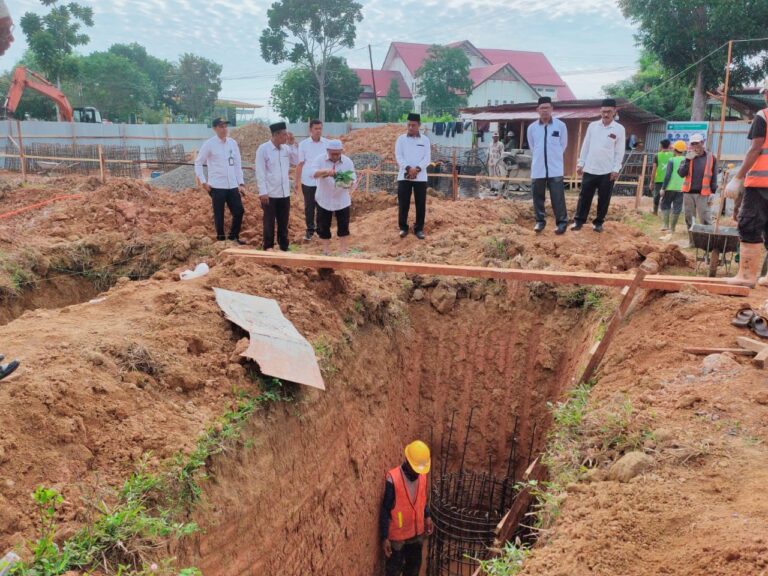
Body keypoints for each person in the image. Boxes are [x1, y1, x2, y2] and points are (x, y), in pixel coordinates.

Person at [725, 80, 768, 287]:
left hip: (761, 183)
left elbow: (756, 149)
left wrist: (738, 177)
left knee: (749, 224)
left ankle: (746, 276)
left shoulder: (764, 116)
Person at [380, 440, 433, 576]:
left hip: (417, 535)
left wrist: (427, 516)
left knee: (413, 570)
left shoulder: (422, 475)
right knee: (394, 571)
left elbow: (423, 499)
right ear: (408, 462)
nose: (418, 473)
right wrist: (384, 537)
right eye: (416, 469)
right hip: (398, 539)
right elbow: (385, 509)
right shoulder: (393, 479)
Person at [572, 98, 626, 233]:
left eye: (608, 111)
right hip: (590, 168)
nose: (606, 114)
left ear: (614, 111)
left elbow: (620, 151)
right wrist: (581, 163)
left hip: (607, 171)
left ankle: (598, 223)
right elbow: (586, 145)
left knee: (604, 199)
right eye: (603, 112)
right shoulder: (593, 126)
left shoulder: (619, 129)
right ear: (600, 111)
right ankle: (578, 221)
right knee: (584, 197)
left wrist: (616, 168)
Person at [194, 117, 246, 243]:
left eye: (225, 126)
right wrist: (203, 181)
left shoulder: (232, 143)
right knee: (219, 214)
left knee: (239, 211)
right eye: (221, 126)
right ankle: (221, 240)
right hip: (217, 186)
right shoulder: (209, 144)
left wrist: (241, 182)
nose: (224, 129)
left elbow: (237, 164)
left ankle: (233, 237)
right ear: (215, 128)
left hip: (232, 185)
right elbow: (198, 162)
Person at [527, 96, 568, 234]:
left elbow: (563, 145)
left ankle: (562, 223)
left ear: (552, 109)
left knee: (558, 197)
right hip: (538, 168)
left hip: (555, 168)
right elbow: (533, 147)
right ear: (537, 110)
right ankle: (539, 221)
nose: (544, 110)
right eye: (542, 108)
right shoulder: (532, 128)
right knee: (538, 197)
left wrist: (553, 157)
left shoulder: (560, 126)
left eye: (547, 108)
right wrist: (541, 157)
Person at [255, 122, 298, 251]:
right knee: (269, 220)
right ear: (277, 135)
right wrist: (263, 192)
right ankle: (268, 246)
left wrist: (292, 144)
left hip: (284, 192)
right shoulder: (263, 149)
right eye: (285, 134)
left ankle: (284, 245)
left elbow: (296, 161)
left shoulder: (286, 148)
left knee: (284, 221)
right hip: (270, 193)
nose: (286, 137)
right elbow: (260, 171)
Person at [311, 140, 356, 255]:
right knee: (323, 226)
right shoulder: (319, 160)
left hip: (342, 199)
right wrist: (325, 171)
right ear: (328, 151)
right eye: (332, 154)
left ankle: (343, 251)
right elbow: (313, 173)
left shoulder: (348, 162)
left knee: (343, 226)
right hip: (324, 198)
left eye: (337, 153)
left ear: (341, 151)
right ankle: (326, 251)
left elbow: (352, 182)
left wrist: (338, 177)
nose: (335, 156)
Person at [396, 113, 431, 240]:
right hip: (403, 176)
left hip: (420, 177)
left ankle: (419, 229)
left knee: (420, 203)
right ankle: (403, 228)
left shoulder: (425, 140)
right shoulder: (401, 139)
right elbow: (399, 156)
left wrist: (416, 169)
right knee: (403, 203)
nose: (410, 127)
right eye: (409, 125)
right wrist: (408, 168)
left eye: (413, 125)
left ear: (419, 125)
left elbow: (427, 158)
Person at [296, 119, 329, 241]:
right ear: (310, 130)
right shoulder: (303, 144)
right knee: (309, 207)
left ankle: (321, 230)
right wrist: (297, 182)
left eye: (320, 128)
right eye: (316, 128)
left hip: (322, 181)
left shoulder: (327, 143)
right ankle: (310, 231)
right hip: (308, 180)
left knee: (322, 206)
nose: (318, 131)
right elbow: (300, 163)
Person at [679, 133, 716, 230]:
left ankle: (708, 239)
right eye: (693, 144)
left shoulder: (711, 157)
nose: (695, 146)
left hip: (703, 194)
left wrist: (713, 192)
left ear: (702, 143)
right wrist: (687, 160)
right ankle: (692, 239)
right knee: (689, 218)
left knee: (705, 218)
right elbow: (681, 173)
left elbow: (714, 176)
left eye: (697, 143)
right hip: (688, 193)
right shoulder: (688, 157)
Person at [659, 140, 687, 234]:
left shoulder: (672, 160)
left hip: (670, 187)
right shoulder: (687, 160)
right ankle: (672, 228)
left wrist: (663, 188)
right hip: (682, 188)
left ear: (674, 150)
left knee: (665, 204)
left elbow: (667, 175)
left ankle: (665, 225)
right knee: (677, 207)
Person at [651, 140, 674, 215]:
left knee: (656, 195)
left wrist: (651, 182)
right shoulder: (673, 155)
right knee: (668, 196)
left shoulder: (657, 155)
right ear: (669, 145)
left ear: (661, 145)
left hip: (659, 179)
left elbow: (654, 169)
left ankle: (655, 211)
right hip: (670, 179)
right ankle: (667, 212)